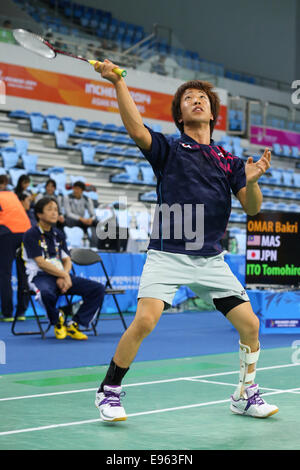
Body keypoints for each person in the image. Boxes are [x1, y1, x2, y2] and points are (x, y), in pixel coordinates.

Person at [92, 59, 279, 422]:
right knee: (145, 320)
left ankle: (245, 393)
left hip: (210, 259)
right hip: (168, 253)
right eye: (188, 98)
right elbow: (135, 129)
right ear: (180, 114)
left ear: (212, 113)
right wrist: (118, 83)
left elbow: (252, 208)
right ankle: (108, 390)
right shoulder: (169, 149)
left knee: (250, 325)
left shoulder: (230, 161)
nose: (196, 101)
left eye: (202, 98)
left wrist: (253, 181)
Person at [22, 196, 105, 340]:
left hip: (61, 274)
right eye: (49, 210)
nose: (54, 213)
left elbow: (67, 259)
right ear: (39, 214)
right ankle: (57, 319)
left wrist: (64, 275)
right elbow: (40, 262)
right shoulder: (31, 234)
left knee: (97, 289)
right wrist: (64, 275)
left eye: (56, 209)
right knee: (45, 294)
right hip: (40, 276)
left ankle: (75, 324)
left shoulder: (58, 234)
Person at [0, 190, 31, 321]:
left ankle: (7, 313)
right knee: (24, 273)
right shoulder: (11, 194)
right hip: (26, 232)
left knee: (4, 273)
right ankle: (21, 312)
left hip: (7, 232)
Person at [63, 181, 98, 246]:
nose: (76, 191)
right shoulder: (67, 197)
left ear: (82, 190)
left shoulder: (87, 199)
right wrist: (81, 219)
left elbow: (93, 214)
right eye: (75, 188)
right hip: (71, 219)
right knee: (66, 221)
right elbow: (68, 213)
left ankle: (95, 243)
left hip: (83, 220)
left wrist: (91, 219)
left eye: (78, 189)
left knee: (96, 222)